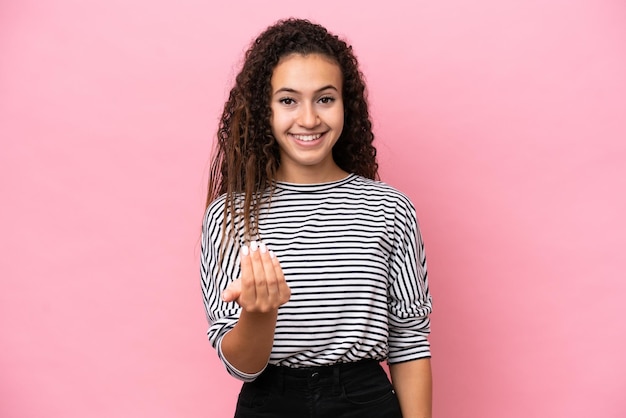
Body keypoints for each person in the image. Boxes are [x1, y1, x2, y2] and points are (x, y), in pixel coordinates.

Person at [201, 18, 433, 418]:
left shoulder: (389, 209)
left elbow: (410, 342)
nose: (309, 119)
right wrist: (260, 313)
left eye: (325, 99)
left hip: (366, 401)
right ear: (264, 110)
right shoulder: (229, 216)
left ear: (347, 105)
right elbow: (241, 365)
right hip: (269, 401)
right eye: (288, 100)